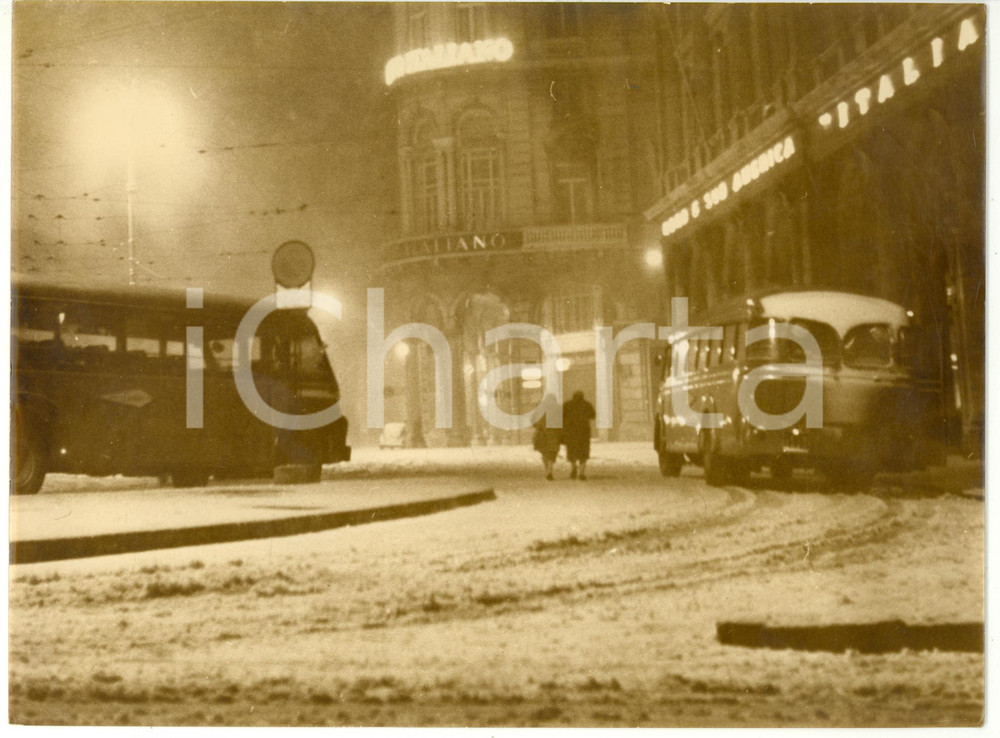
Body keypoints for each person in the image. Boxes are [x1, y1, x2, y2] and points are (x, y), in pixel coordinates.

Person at [562, 390, 596, 480]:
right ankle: (582, 472)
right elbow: (593, 415)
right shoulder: (587, 404)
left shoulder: (567, 405)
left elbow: (561, 417)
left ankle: (573, 467)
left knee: (572, 451)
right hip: (583, 433)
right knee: (583, 452)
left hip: (571, 433)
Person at [532, 393, 562, 480]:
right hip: (554, 434)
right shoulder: (558, 408)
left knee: (544, 452)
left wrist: (537, 426)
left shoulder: (540, 408)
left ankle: (547, 470)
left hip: (541, 434)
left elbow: (532, 420)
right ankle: (549, 469)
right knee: (552, 453)